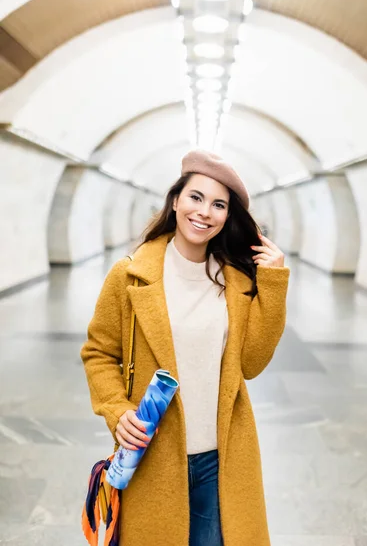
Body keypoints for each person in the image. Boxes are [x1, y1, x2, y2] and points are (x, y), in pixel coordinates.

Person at [81, 149, 290, 546]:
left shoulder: (237, 282)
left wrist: (273, 284)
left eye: (218, 204)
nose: (204, 212)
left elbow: (251, 363)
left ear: (227, 216)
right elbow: (99, 352)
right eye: (195, 197)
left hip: (221, 457)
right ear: (175, 200)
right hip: (153, 456)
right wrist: (116, 409)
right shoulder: (130, 276)